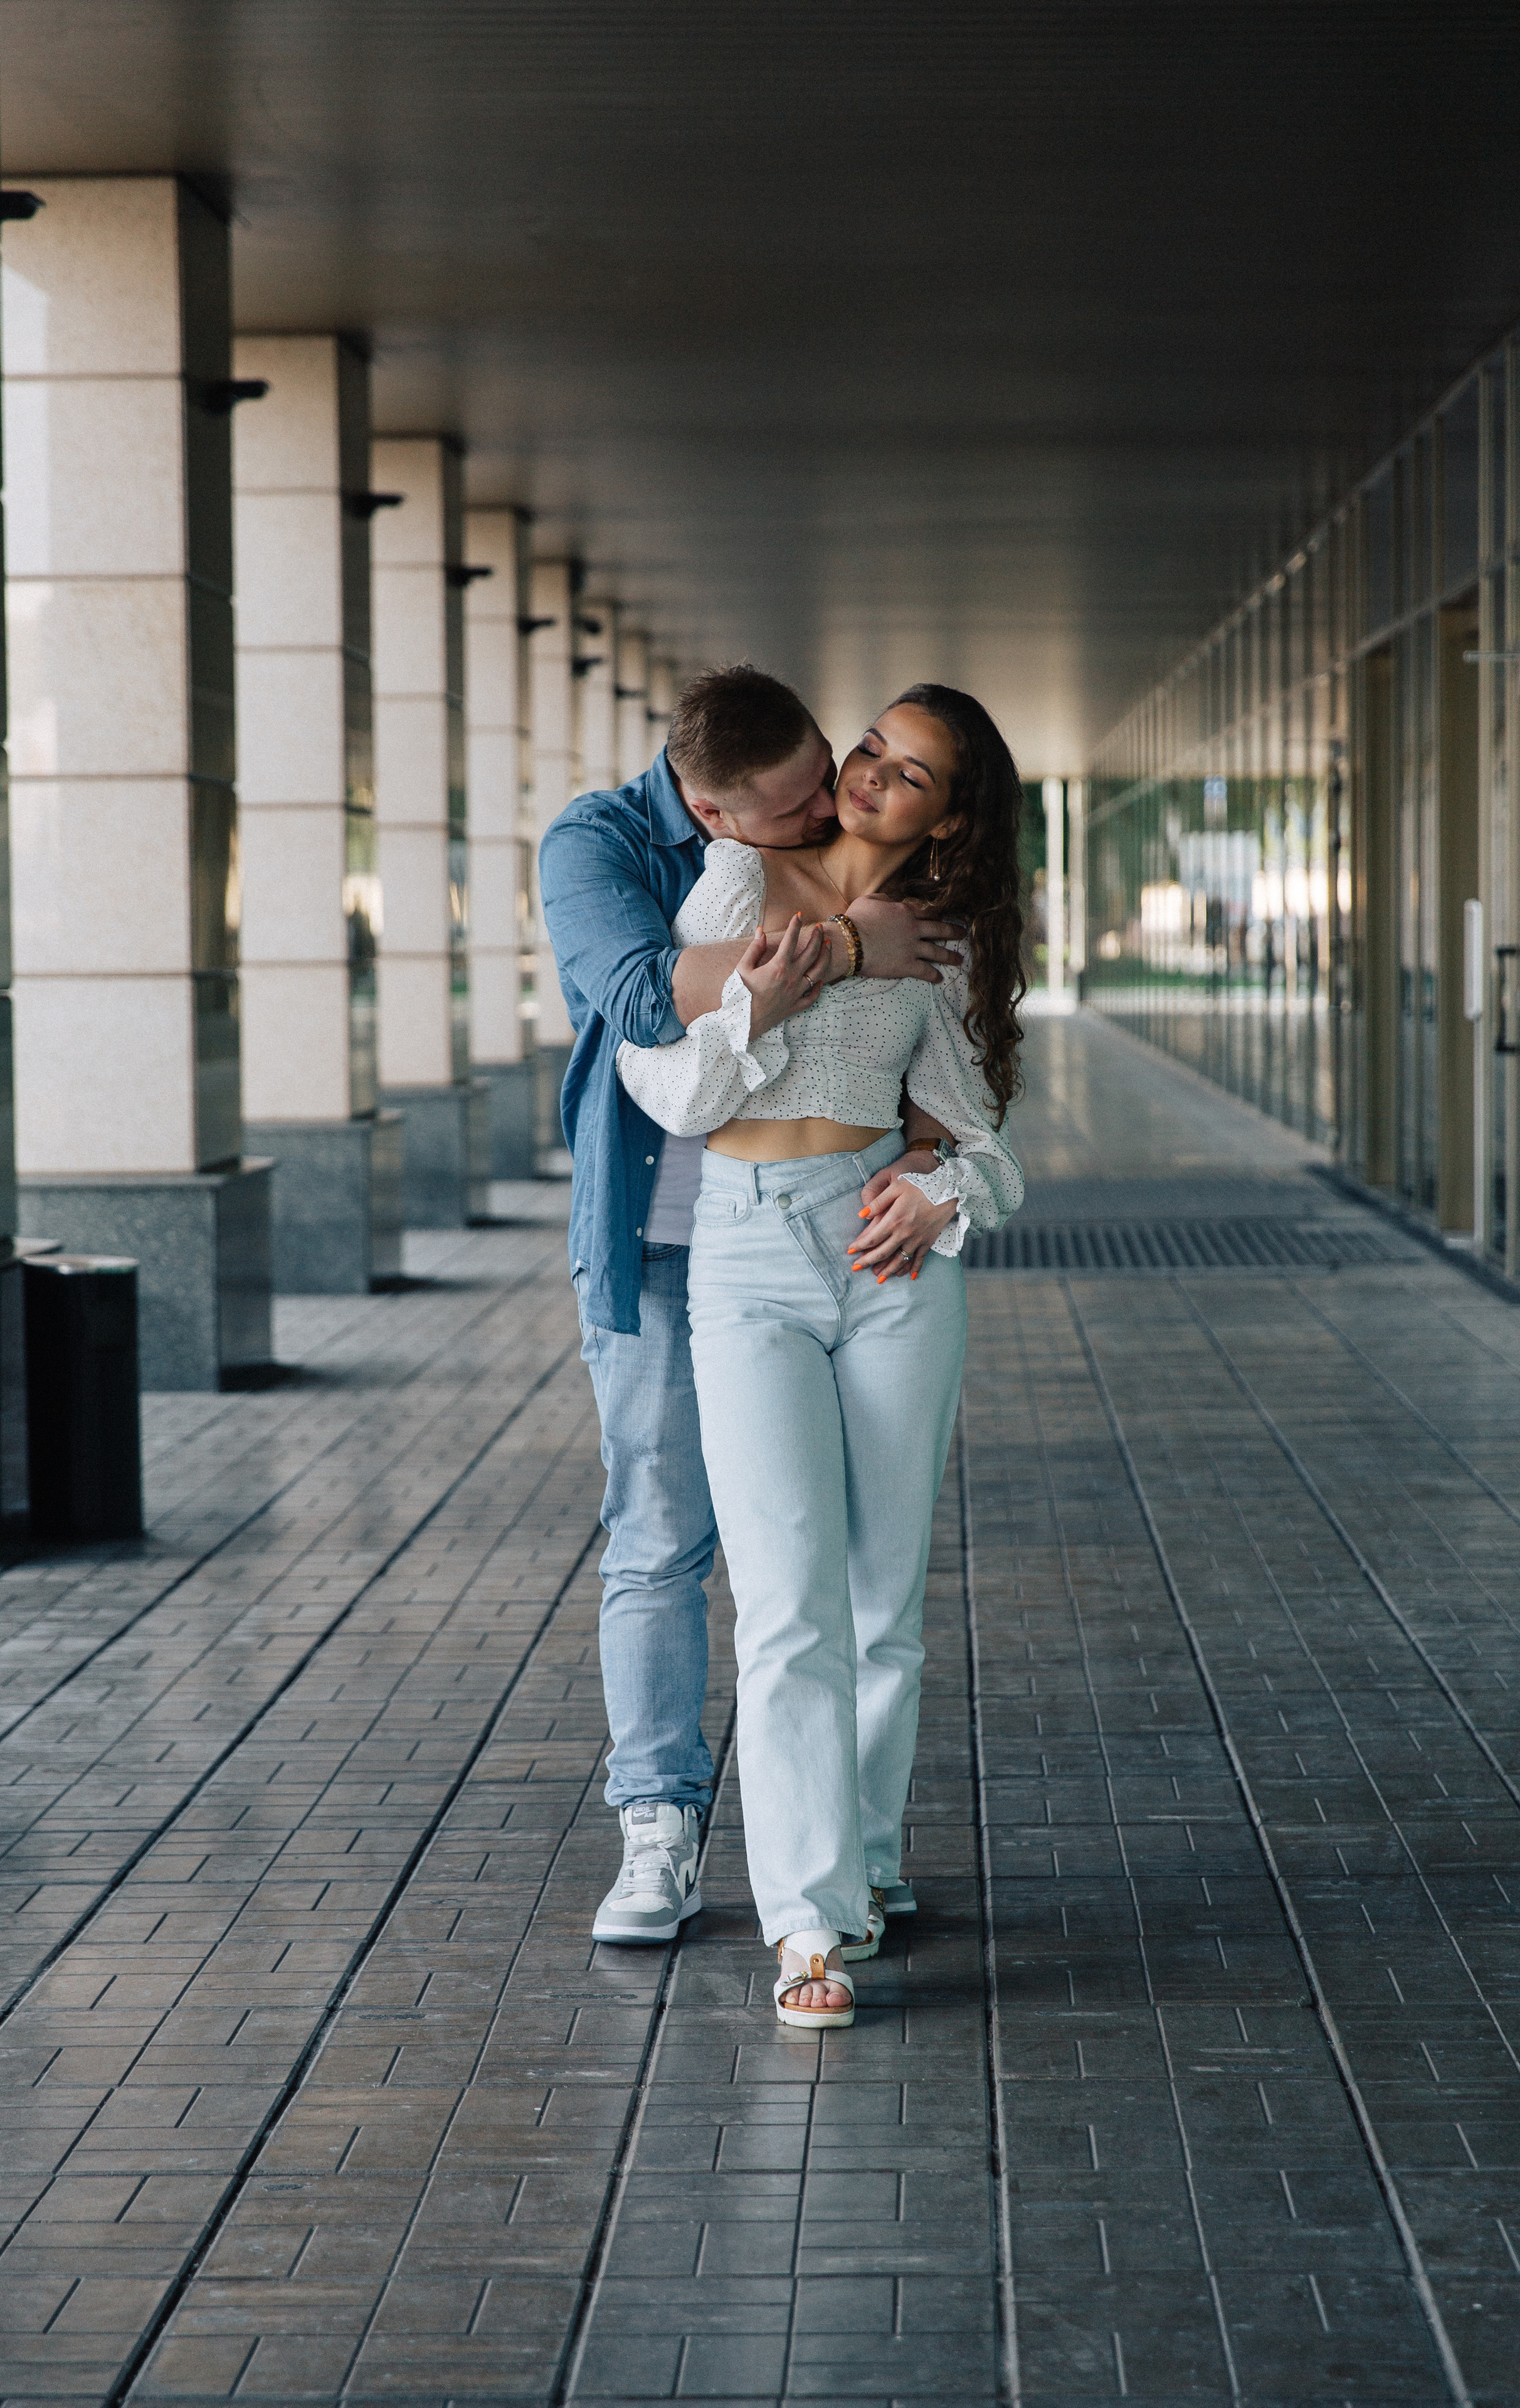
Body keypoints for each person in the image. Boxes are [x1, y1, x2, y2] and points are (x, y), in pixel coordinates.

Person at [538, 666, 971, 1946]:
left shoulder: (838, 852)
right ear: (711, 809)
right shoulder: (599, 843)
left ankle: (846, 1863)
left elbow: (948, 1077)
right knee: (664, 1530)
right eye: (782, 807)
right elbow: (633, 1002)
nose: (818, 809)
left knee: (843, 1582)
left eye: (826, 773)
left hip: (835, 1229)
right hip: (667, 1236)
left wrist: (939, 1164)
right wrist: (838, 948)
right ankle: (657, 1829)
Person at [615, 684, 1025, 2024]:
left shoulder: (940, 942)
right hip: (742, 1257)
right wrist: (797, 981)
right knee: (786, 1603)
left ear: (947, 816)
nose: (868, 778)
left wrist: (943, 1193)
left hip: (884, 1259)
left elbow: (986, 1141)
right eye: (868, 749)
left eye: (909, 774)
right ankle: (807, 1929)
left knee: (879, 1604)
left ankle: (862, 1861)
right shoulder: (740, 882)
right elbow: (667, 1086)